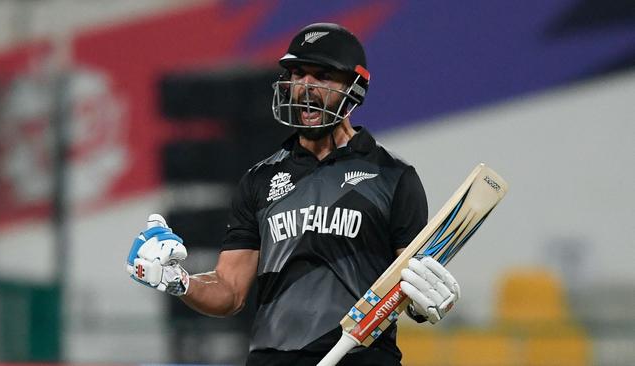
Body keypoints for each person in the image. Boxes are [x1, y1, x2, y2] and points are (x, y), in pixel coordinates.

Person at [126, 23, 460, 366]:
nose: (306, 87)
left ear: (355, 87)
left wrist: (429, 301)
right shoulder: (260, 179)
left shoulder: (394, 178)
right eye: (299, 74)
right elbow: (230, 290)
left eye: (322, 76)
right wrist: (179, 281)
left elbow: (411, 283)